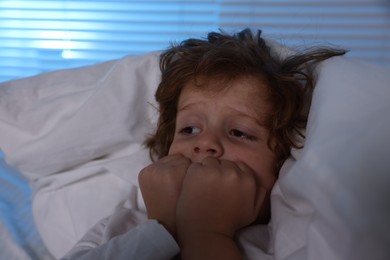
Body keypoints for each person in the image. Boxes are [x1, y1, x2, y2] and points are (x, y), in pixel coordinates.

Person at [62, 28, 345, 260]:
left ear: (284, 162)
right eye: (190, 128)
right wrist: (164, 226)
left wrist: (206, 233)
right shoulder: (119, 227)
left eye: (239, 132)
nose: (205, 143)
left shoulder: (290, 243)